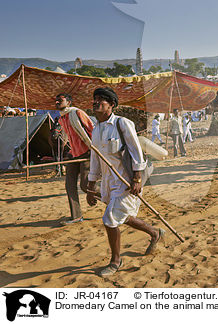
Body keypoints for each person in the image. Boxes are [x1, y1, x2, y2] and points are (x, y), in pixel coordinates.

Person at [86, 87, 164, 277]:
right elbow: (95, 158)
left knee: (110, 219)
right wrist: (90, 185)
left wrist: (137, 178)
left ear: (111, 105)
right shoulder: (96, 129)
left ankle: (115, 261)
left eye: (101, 100)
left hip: (126, 180)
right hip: (108, 182)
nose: (96, 102)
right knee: (122, 215)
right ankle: (155, 233)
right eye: (94, 99)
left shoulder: (122, 124)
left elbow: (137, 151)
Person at [55, 93, 95, 225]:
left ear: (69, 102)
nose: (57, 102)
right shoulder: (61, 119)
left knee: (84, 185)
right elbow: (67, 137)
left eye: (60, 100)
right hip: (74, 154)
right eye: (56, 101)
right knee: (70, 185)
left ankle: (113, 201)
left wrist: (95, 150)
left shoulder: (77, 113)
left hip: (87, 152)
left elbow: (91, 130)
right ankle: (76, 216)